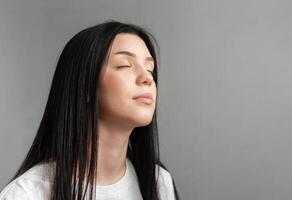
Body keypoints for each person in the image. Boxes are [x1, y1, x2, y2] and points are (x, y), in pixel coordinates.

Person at [0, 20, 179, 200]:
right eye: (125, 65)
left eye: (150, 69)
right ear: (85, 85)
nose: (147, 78)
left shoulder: (158, 184)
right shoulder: (26, 195)